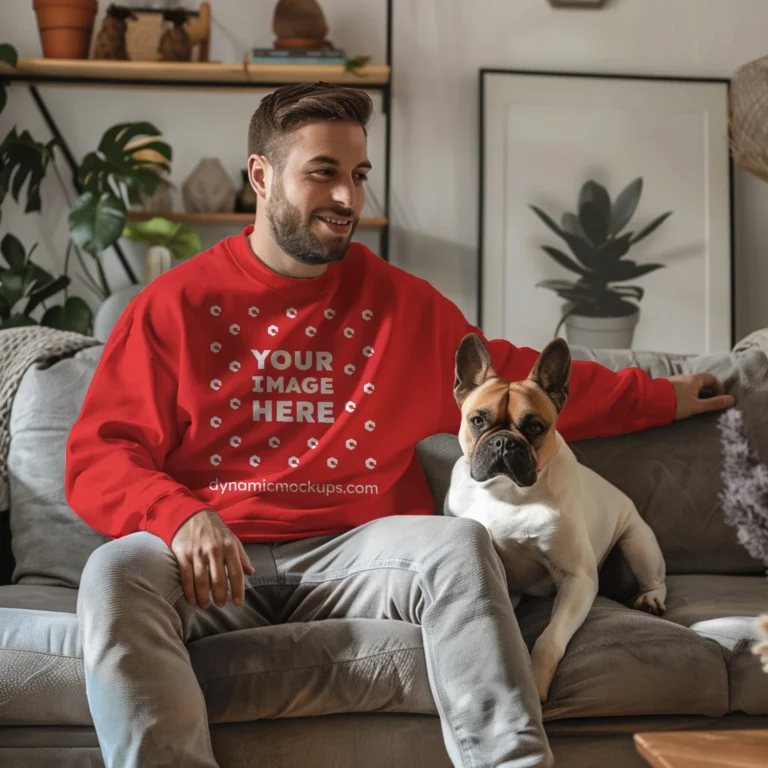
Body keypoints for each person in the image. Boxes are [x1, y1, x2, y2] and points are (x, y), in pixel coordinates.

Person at [65, 81, 734, 768]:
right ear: (261, 178)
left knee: (458, 546)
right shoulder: (173, 306)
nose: (349, 199)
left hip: (360, 554)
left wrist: (664, 397)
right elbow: (97, 456)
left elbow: (519, 380)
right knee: (113, 573)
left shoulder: (401, 307)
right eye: (323, 173)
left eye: (359, 176)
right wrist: (178, 517)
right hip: (213, 561)